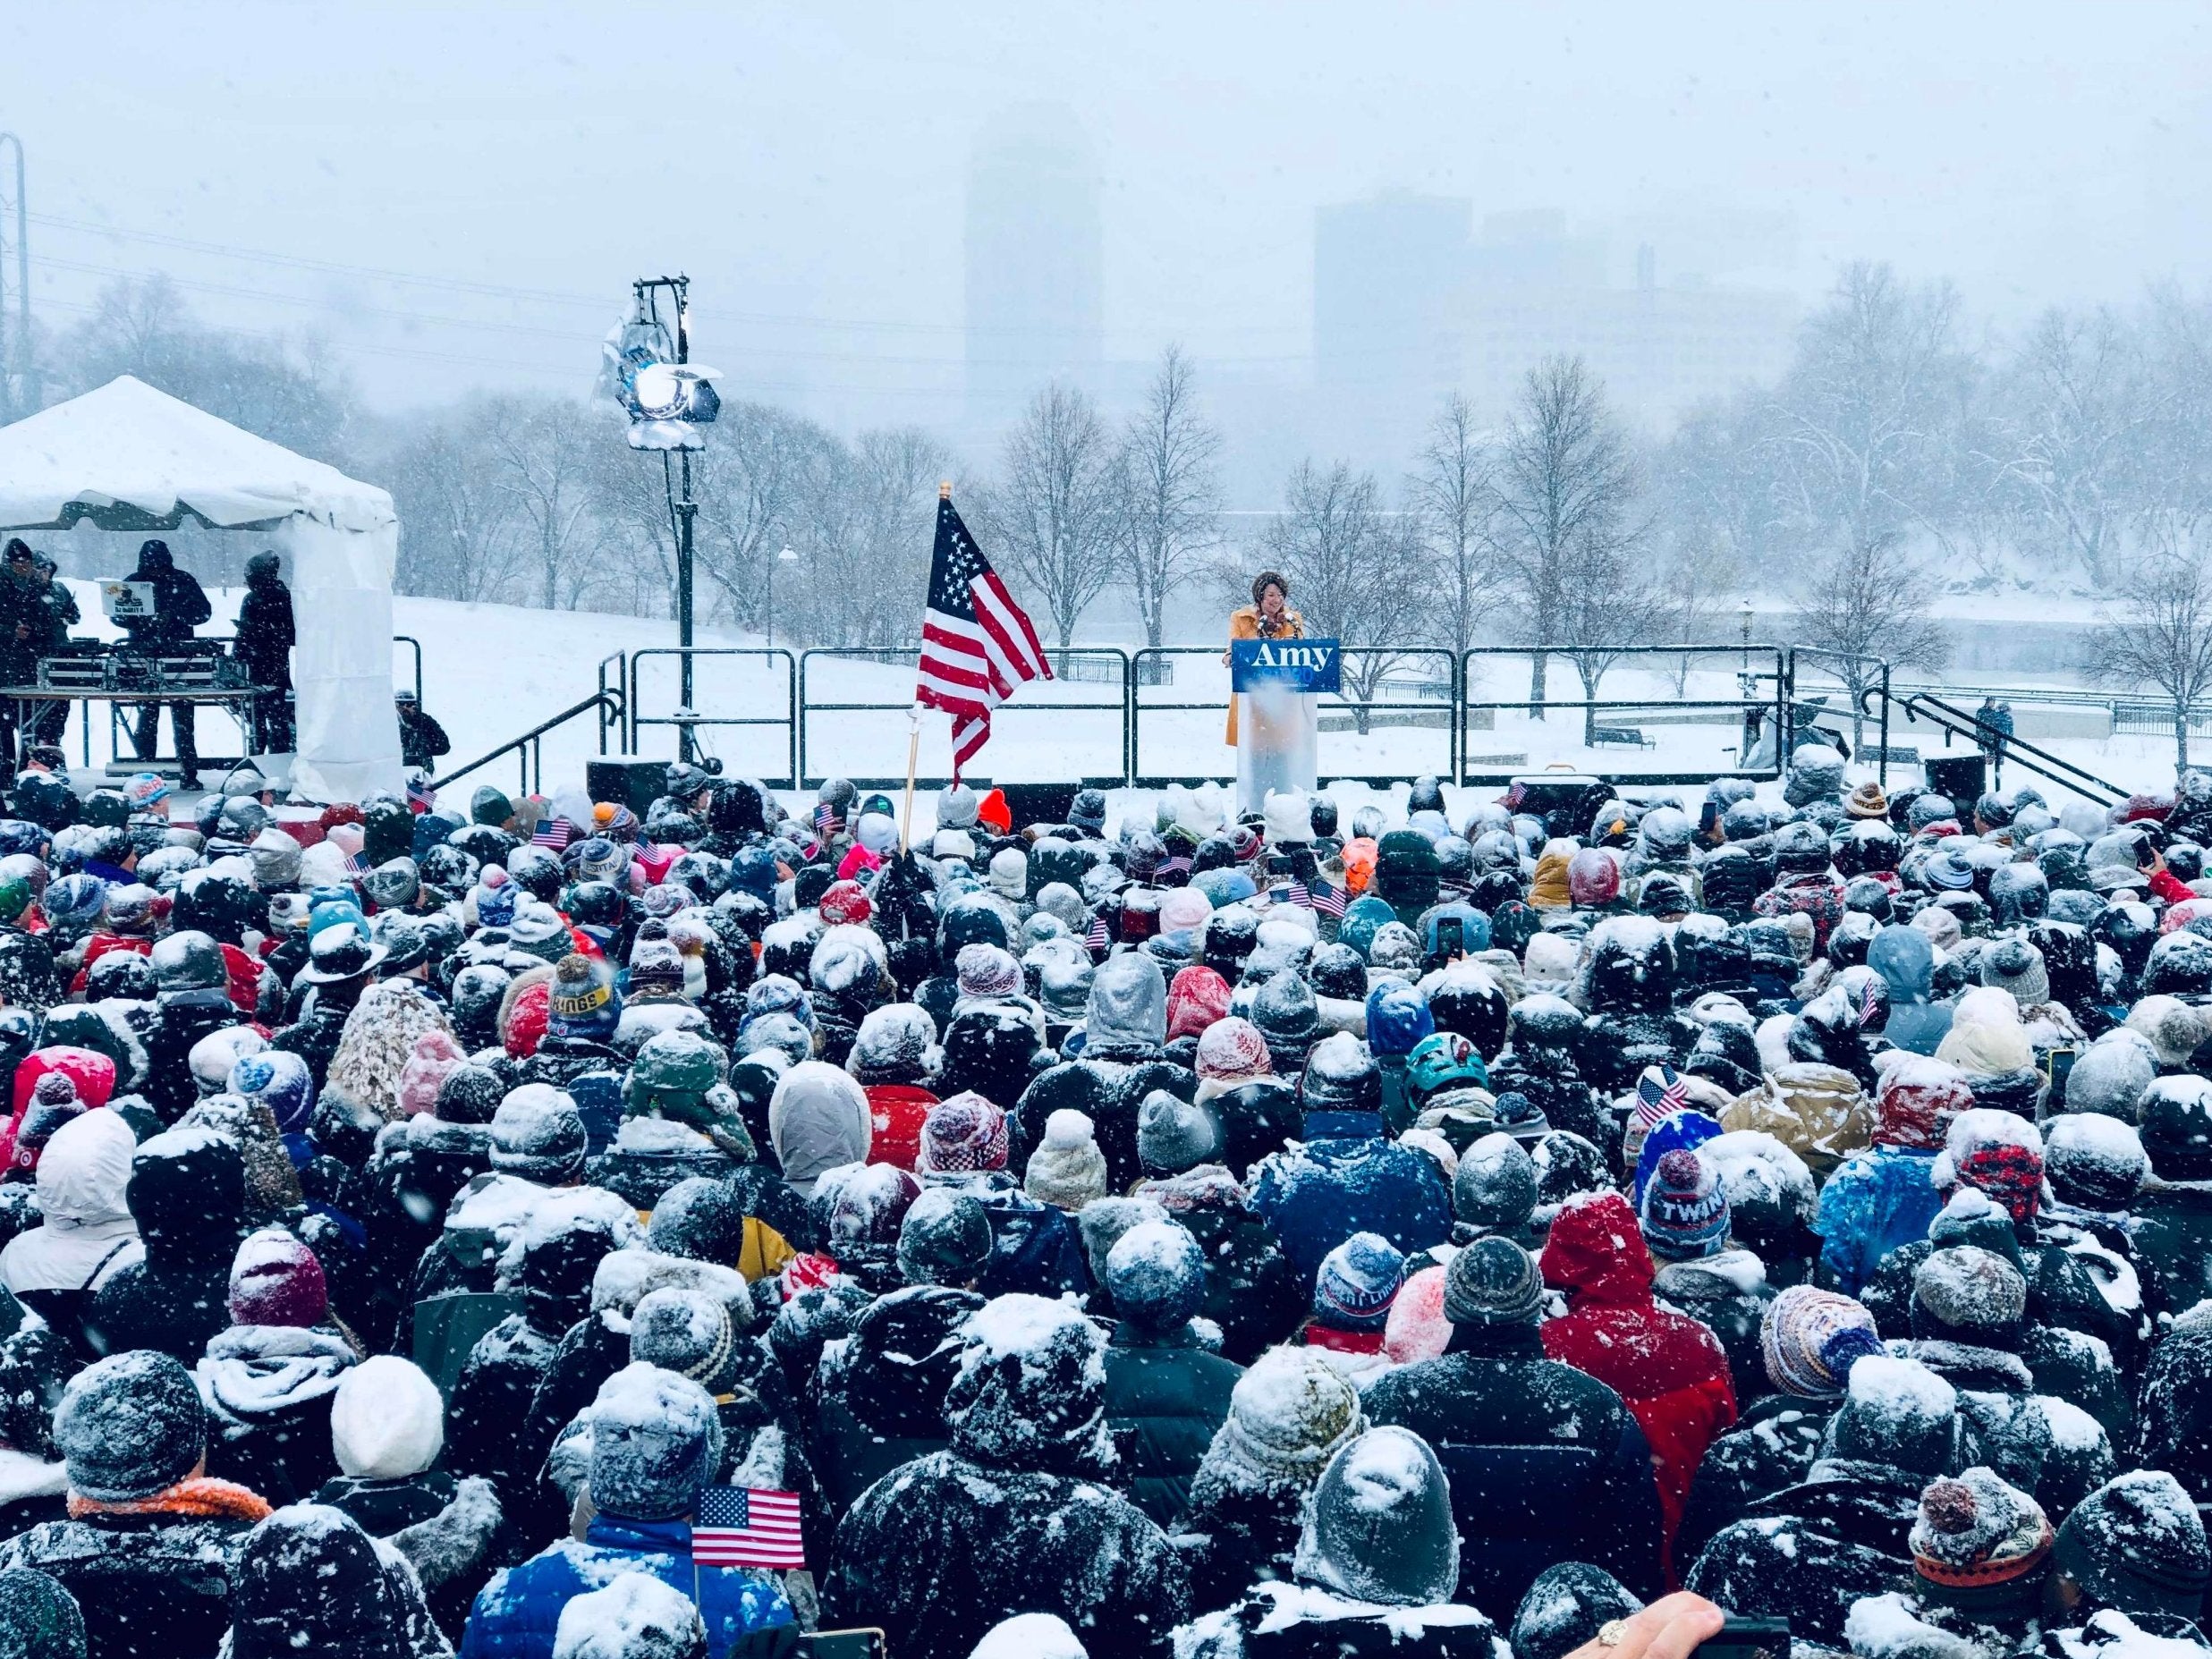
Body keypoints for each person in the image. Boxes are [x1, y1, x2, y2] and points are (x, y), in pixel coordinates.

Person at [234, 550, 296, 754]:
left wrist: (251, 639)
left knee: (257, 721)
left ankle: (258, 761)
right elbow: (292, 634)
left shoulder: (254, 600)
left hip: (258, 668)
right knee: (277, 719)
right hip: (276, 667)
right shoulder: (286, 598)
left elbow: (244, 635)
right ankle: (279, 759)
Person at [398, 690, 451, 774]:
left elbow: (444, 747)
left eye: (409, 704)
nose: (405, 707)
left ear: (415, 706)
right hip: (397, 775)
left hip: (422, 774)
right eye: (401, 704)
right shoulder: (390, 724)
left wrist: (425, 743)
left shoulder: (424, 721)